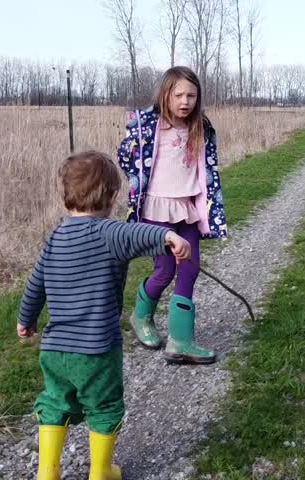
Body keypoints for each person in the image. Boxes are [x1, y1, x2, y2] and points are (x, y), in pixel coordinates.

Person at [17, 150, 193, 480]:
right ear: (112, 197)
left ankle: (47, 472)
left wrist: (25, 320)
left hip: (54, 350)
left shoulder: (55, 237)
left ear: (65, 196)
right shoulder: (109, 232)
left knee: (55, 403)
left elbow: (35, 284)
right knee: (104, 406)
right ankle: (100, 472)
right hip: (96, 348)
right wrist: (169, 236)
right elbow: (140, 234)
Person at [116, 65, 227, 365]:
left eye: (191, 95)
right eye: (178, 94)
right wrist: (138, 184)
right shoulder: (148, 125)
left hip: (188, 208)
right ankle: (140, 317)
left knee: (189, 268)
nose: (185, 101)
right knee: (164, 270)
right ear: (165, 94)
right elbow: (126, 157)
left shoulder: (200, 127)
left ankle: (180, 341)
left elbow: (207, 167)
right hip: (157, 207)